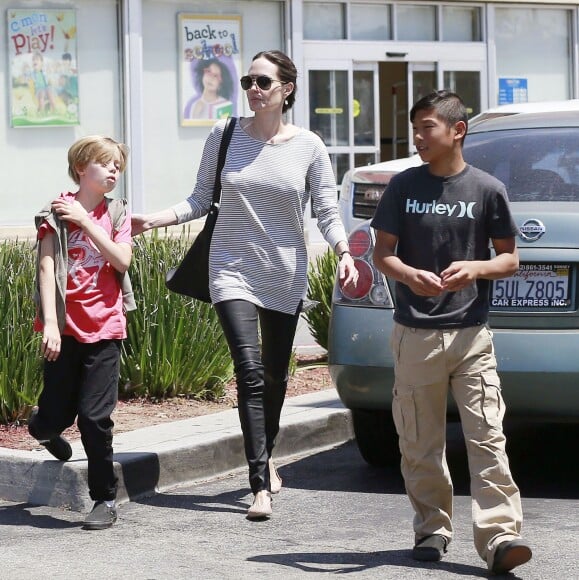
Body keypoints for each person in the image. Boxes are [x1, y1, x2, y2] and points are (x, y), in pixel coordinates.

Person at [132, 49, 358, 519]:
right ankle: (259, 483)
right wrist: (154, 219)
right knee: (250, 371)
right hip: (230, 266)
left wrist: (343, 252)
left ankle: (268, 453)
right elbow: (200, 198)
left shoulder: (310, 146)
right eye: (248, 82)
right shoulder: (226, 133)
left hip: (284, 269)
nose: (253, 90)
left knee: (275, 375)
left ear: (286, 89)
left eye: (263, 82)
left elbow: (326, 210)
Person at [370, 90, 532, 574]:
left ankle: (500, 535)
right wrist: (407, 274)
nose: (418, 137)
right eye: (415, 128)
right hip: (415, 334)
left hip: (471, 336)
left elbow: (510, 259)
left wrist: (477, 269)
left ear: (456, 130)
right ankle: (432, 529)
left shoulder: (487, 189)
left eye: (427, 128)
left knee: (488, 436)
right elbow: (382, 253)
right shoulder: (403, 186)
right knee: (420, 441)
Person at [29, 135, 131, 530]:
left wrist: (87, 222)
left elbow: (122, 260)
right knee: (56, 414)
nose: (113, 171)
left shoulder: (117, 213)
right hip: (66, 330)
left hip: (106, 327)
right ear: (80, 170)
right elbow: (45, 267)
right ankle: (43, 427)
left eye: (117, 166)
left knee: (94, 418)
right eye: (105, 164)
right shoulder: (54, 213)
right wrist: (52, 324)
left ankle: (104, 499)